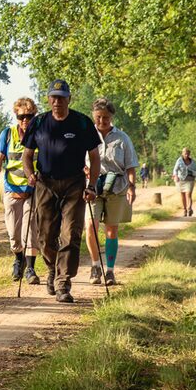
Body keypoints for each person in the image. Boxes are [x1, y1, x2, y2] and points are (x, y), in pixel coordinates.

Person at [21, 80, 102, 304]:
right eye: (53, 97)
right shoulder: (38, 123)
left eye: (61, 97)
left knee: (70, 234)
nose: (57, 101)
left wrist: (92, 185)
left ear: (69, 98)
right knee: (45, 237)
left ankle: (63, 282)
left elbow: (95, 158)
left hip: (74, 185)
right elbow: (27, 156)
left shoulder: (82, 123)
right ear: (48, 99)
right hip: (45, 184)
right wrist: (30, 175)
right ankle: (53, 269)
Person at [81, 99, 137, 286]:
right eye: (98, 117)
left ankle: (110, 270)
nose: (102, 121)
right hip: (92, 187)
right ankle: (96, 266)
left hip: (117, 187)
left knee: (112, 229)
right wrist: (85, 170)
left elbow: (130, 165)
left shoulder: (122, 138)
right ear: (93, 116)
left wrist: (131, 187)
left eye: (106, 118)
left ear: (111, 117)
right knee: (91, 226)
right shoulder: (87, 136)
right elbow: (78, 160)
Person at [0, 97, 40, 283]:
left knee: (30, 228)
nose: (25, 120)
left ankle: (31, 269)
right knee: (14, 233)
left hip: (33, 190)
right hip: (12, 189)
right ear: (16, 116)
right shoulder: (7, 134)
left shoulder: (39, 134)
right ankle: (18, 259)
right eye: (21, 117)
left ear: (35, 116)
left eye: (29, 116)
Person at [173, 147, 196, 217]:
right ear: (182, 154)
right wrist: (175, 176)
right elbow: (175, 170)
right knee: (182, 196)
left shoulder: (193, 162)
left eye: (188, 154)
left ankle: (189, 208)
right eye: (185, 154)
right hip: (181, 180)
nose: (186, 155)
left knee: (188, 194)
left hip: (190, 180)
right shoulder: (179, 161)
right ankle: (184, 210)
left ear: (189, 154)